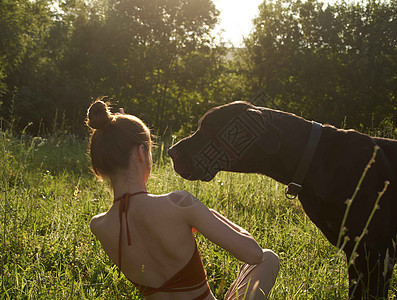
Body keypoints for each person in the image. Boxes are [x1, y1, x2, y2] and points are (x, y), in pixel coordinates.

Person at [86, 98, 280, 300]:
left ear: (99, 167)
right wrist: (210, 214)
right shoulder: (180, 204)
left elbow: (138, 214)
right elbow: (253, 255)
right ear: (141, 153)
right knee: (268, 257)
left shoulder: (99, 225)